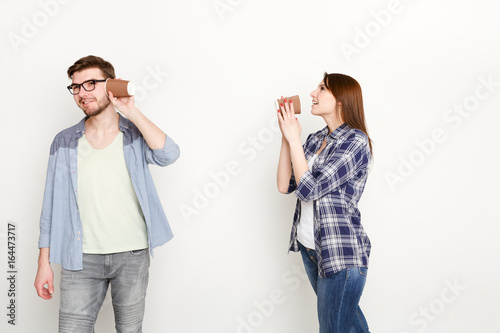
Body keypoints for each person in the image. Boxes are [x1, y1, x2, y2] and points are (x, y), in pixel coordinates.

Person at [34, 55, 180, 333]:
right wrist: (44, 263)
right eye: (76, 87)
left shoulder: (134, 136)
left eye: (90, 84)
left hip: (132, 254)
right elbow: (50, 206)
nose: (82, 93)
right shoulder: (64, 142)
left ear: (110, 85)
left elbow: (169, 155)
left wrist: (131, 111)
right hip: (80, 258)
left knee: (129, 330)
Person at [276, 73, 372, 333]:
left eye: (321, 88)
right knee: (349, 327)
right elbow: (286, 185)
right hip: (312, 250)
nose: (312, 94)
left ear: (340, 99)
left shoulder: (355, 142)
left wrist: (295, 139)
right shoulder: (316, 139)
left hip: (340, 255)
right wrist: (287, 138)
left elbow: (310, 190)